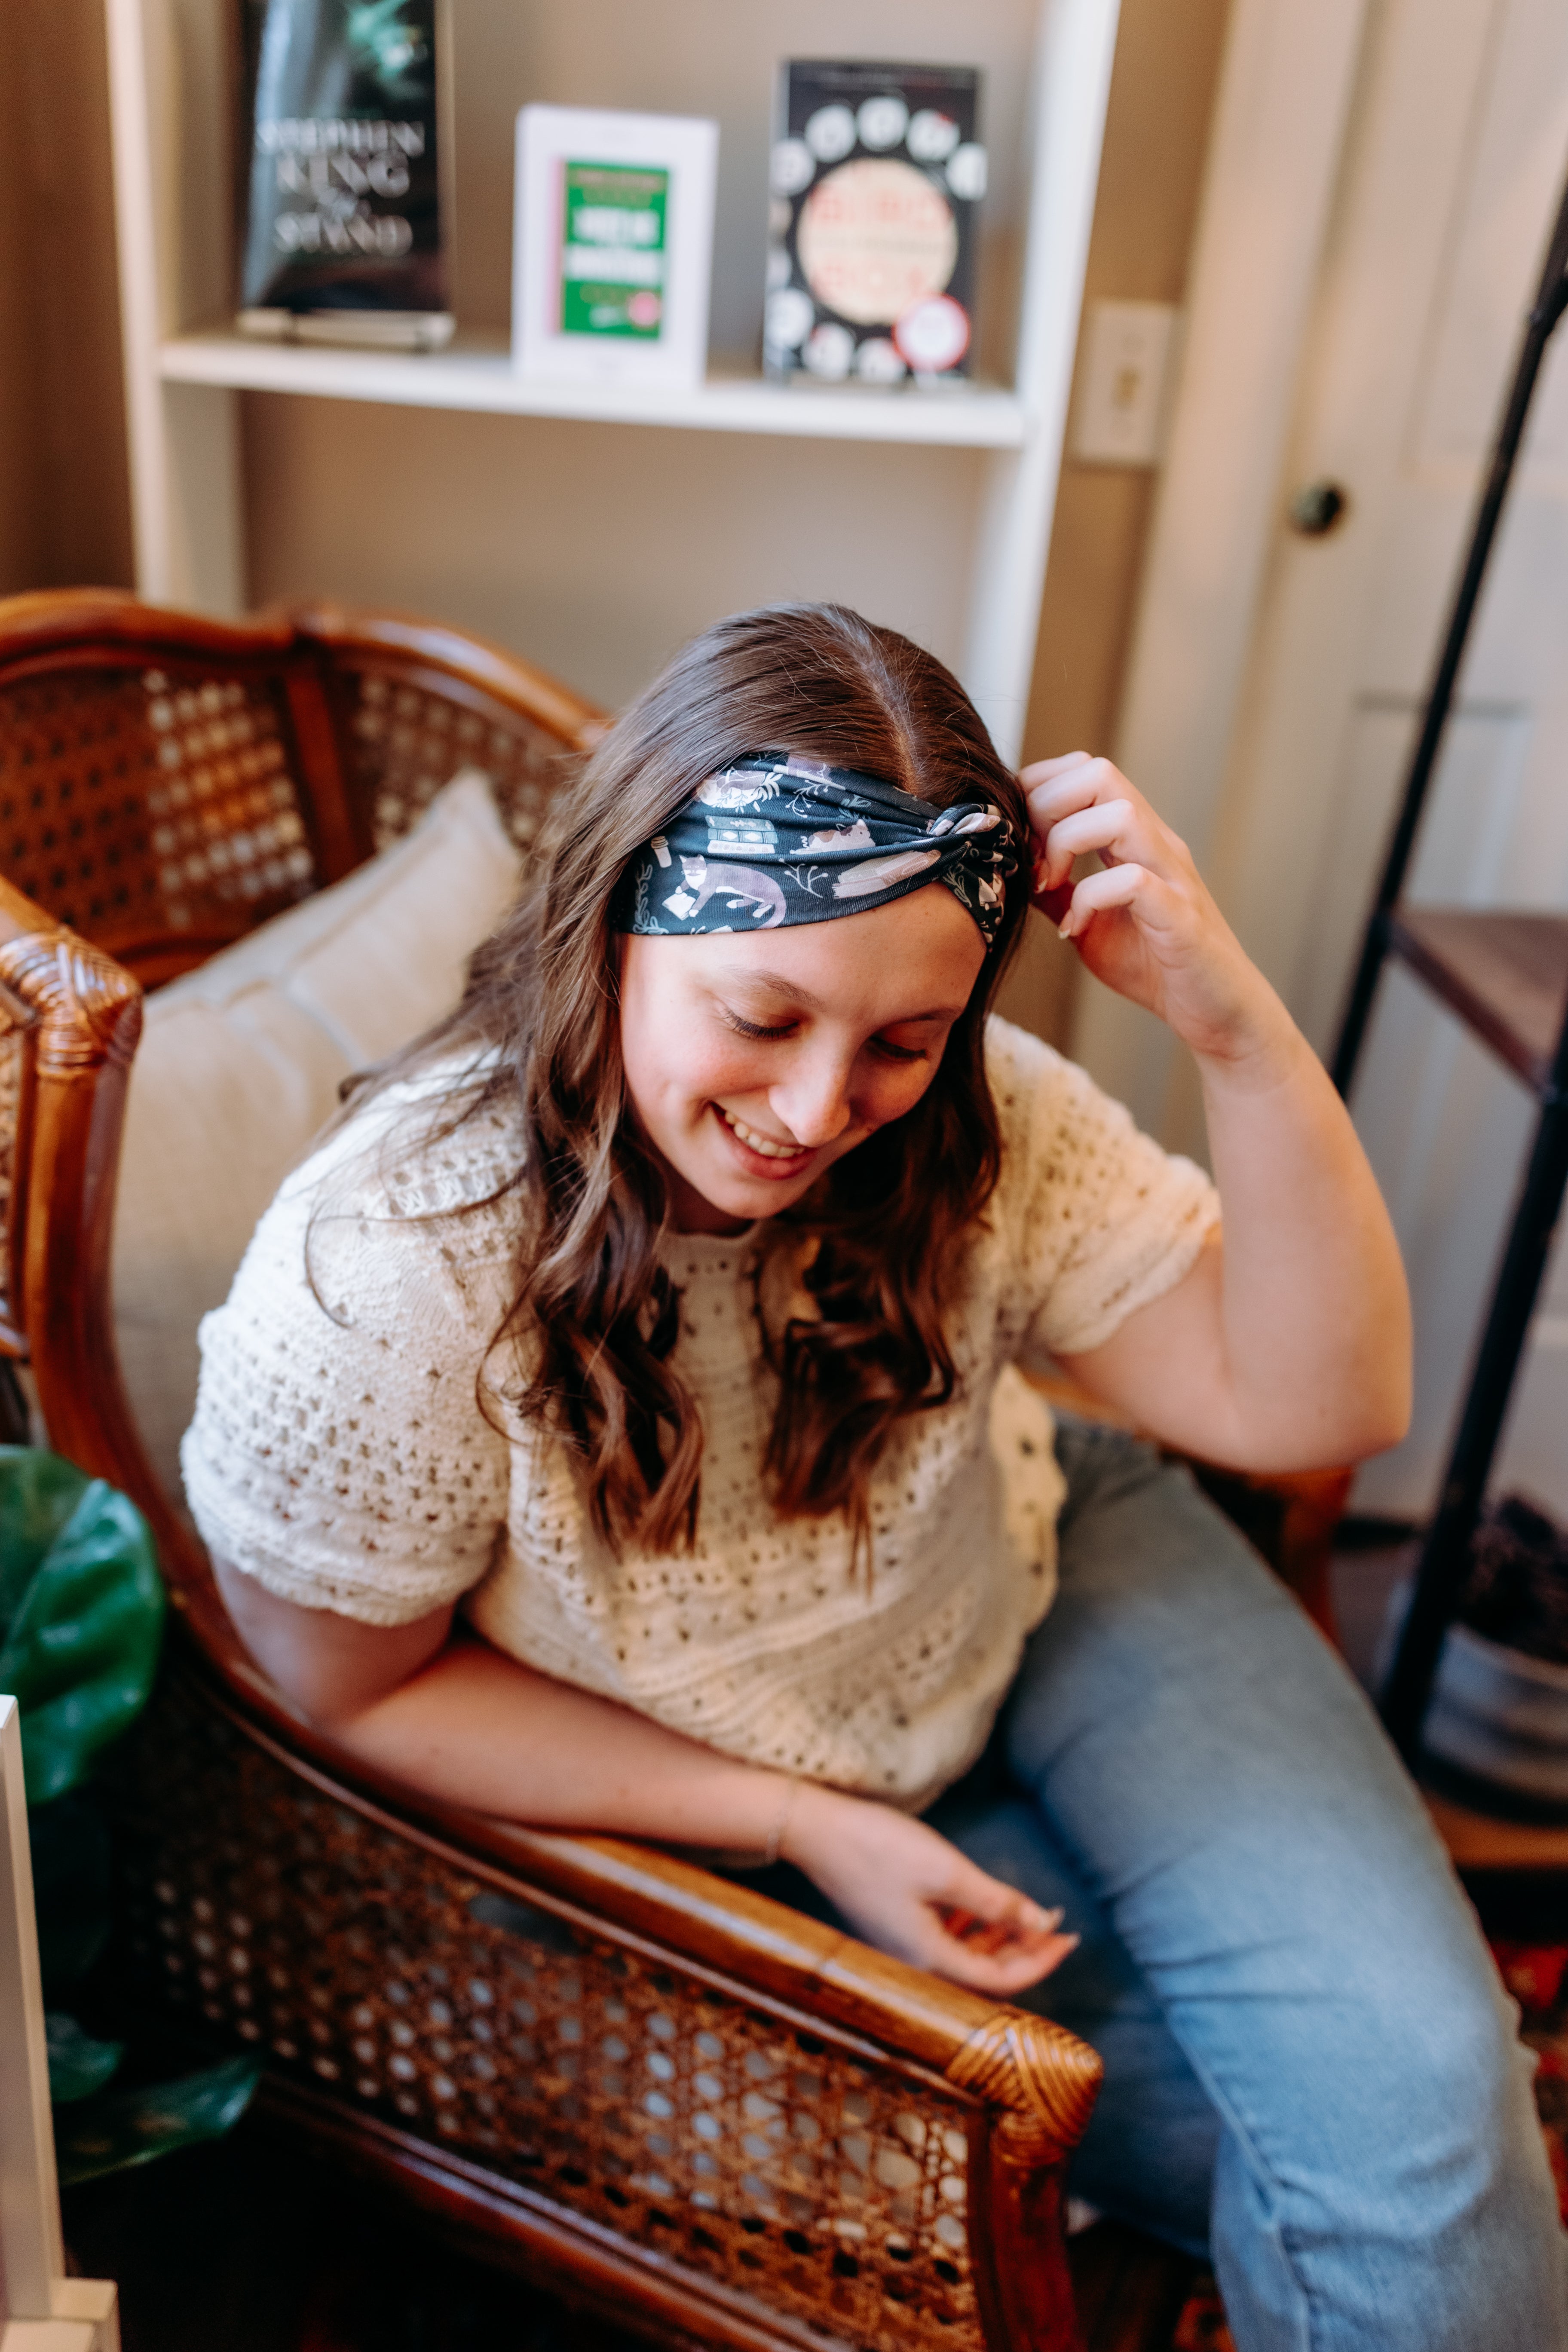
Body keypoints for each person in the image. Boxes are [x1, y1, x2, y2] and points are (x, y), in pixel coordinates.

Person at [183, 603, 1565, 2349]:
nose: (824, 1107)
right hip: (695, 1755)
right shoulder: (393, 1264)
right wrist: (803, 1820)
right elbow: (347, 1693)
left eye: (904, 1042)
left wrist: (1231, 1024)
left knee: (1430, 2088)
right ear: (611, 925)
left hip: (1035, 1562)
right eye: (760, 1014)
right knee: (1376, 2166)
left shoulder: (988, 1124)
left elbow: (1322, 1408)